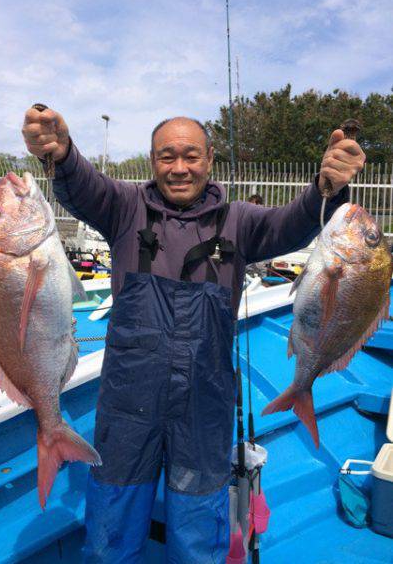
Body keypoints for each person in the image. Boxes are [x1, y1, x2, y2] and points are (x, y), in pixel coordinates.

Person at [22, 111, 365, 563]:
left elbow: (294, 222)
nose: (179, 167)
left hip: (205, 407)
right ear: (151, 161)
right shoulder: (123, 207)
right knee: (110, 533)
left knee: (198, 536)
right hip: (127, 407)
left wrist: (328, 189)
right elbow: (81, 183)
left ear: (210, 160)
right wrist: (59, 152)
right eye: (167, 156)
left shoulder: (241, 221)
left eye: (190, 156)